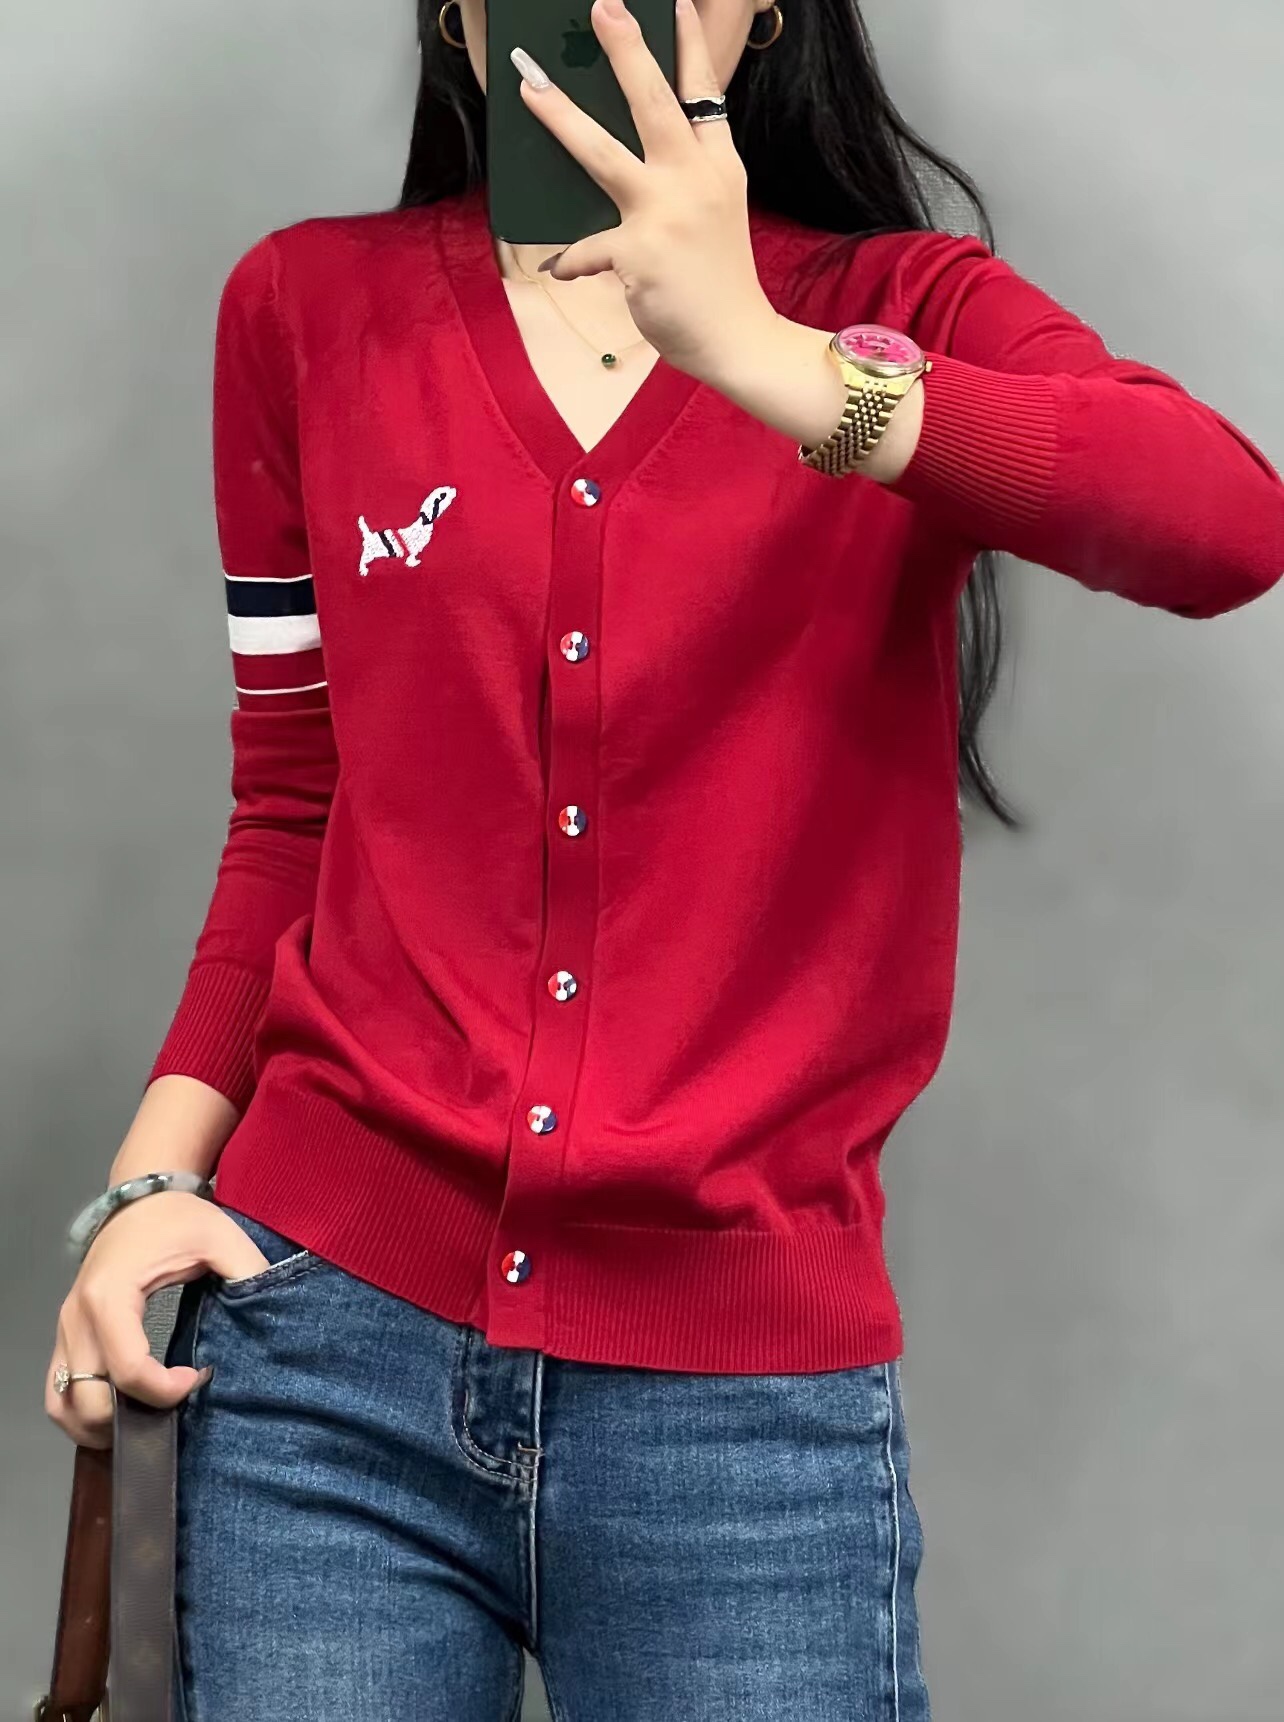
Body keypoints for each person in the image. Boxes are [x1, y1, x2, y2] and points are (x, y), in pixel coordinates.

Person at [45, 0, 1284, 1716]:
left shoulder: (895, 310)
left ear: (765, 8)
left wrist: (768, 356)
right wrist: (144, 1193)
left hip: (744, 1415)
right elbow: (291, 810)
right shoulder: (303, 308)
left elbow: (1226, 523)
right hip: (322, 1361)